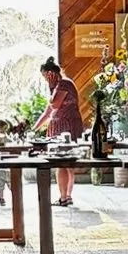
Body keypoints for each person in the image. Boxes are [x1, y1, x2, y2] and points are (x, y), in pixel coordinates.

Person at [35, 55, 84, 208]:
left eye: (45, 76)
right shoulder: (60, 86)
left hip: (65, 128)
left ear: (51, 74)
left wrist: (51, 87)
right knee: (66, 164)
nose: (45, 80)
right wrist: (34, 128)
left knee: (62, 163)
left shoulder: (63, 85)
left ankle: (64, 197)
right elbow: (47, 112)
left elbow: (55, 105)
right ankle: (66, 196)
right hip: (63, 126)